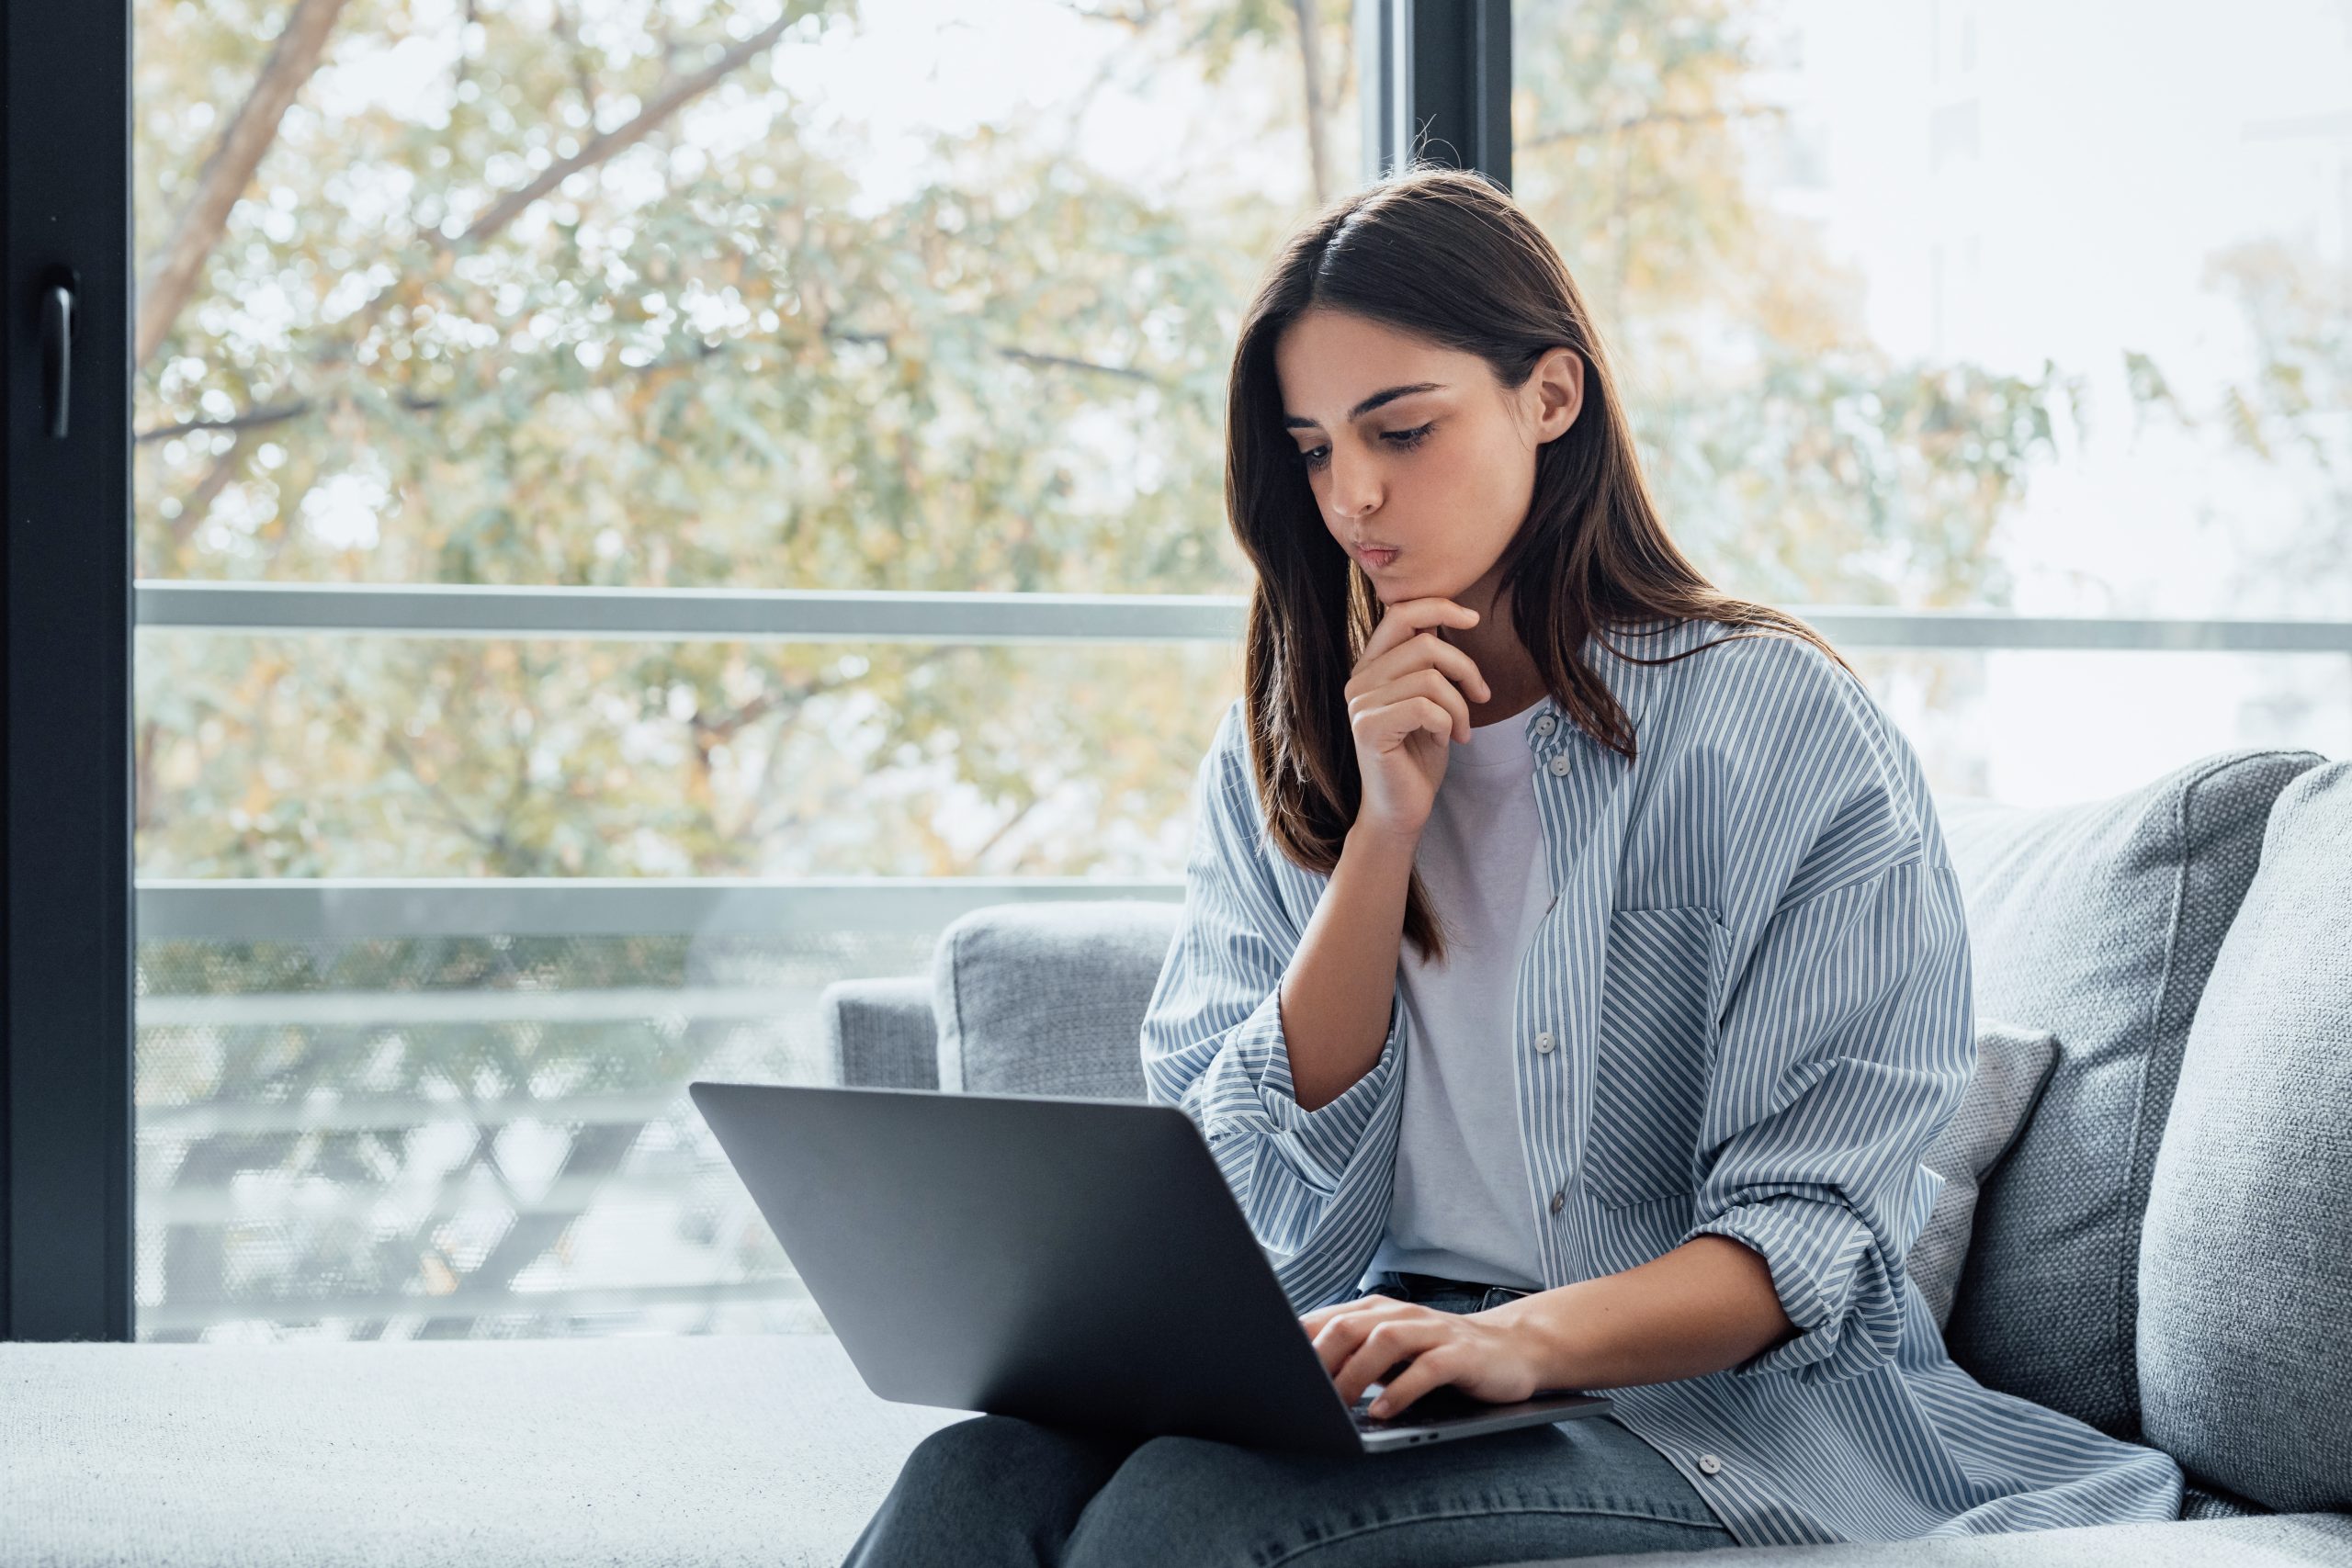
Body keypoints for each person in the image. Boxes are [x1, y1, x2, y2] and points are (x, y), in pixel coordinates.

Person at [839, 162, 2182, 1568]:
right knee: (970, 1481)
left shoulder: (1777, 727)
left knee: (1179, 1522)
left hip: (1704, 1408)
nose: (1354, 494)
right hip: (1382, 1359)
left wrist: (1520, 1341)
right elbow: (1242, 1207)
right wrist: (1381, 837)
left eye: (1402, 430)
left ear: (1550, 396)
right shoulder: (1280, 748)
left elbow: (1809, 1233)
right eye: (1312, 450)